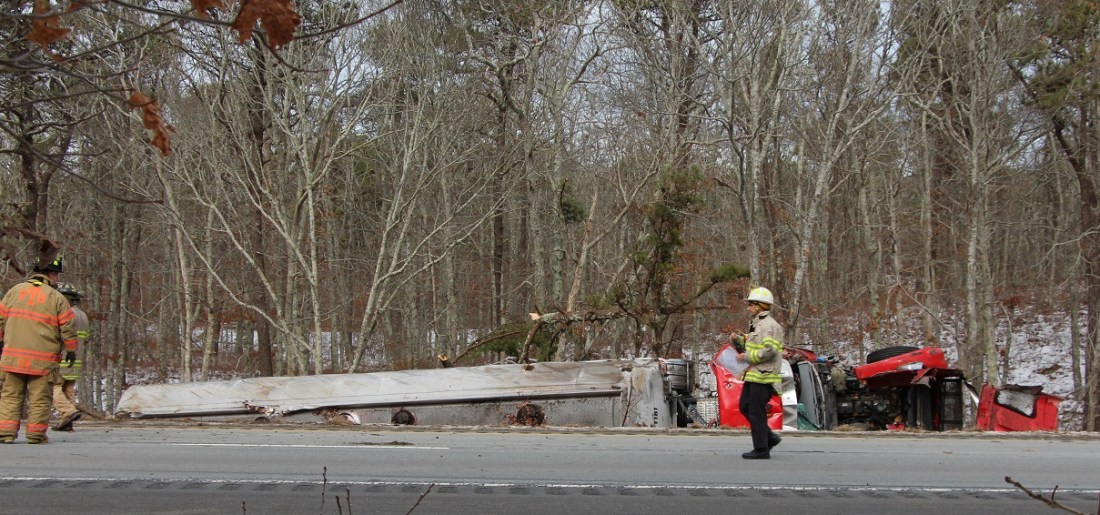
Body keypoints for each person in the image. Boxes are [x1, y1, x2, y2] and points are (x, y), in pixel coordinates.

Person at [0, 255, 78, 444]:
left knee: (10, 396)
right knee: (40, 398)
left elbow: (1, 320)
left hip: (13, 358)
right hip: (42, 360)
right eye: (57, 275)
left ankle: (5, 433)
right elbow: (68, 327)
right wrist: (71, 350)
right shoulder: (57, 298)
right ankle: (36, 435)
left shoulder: (14, 292)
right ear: (51, 274)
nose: (57, 279)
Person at [735, 286, 785, 460]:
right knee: (745, 406)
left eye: (750, 305)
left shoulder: (770, 326)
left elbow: (769, 350)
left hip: (764, 376)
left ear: (759, 306)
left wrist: (747, 357)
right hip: (754, 374)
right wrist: (738, 340)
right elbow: (754, 345)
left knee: (756, 411)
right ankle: (770, 438)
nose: (748, 308)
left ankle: (761, 449)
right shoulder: (757, 324)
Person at [52, 283, 88, 432]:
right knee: (68, 389)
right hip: (76, 360)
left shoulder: (66, 313)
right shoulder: (82, 315)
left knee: (53, 387)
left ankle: (68, 412)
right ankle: (67, 423)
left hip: (64, 357)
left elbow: (58, 336)